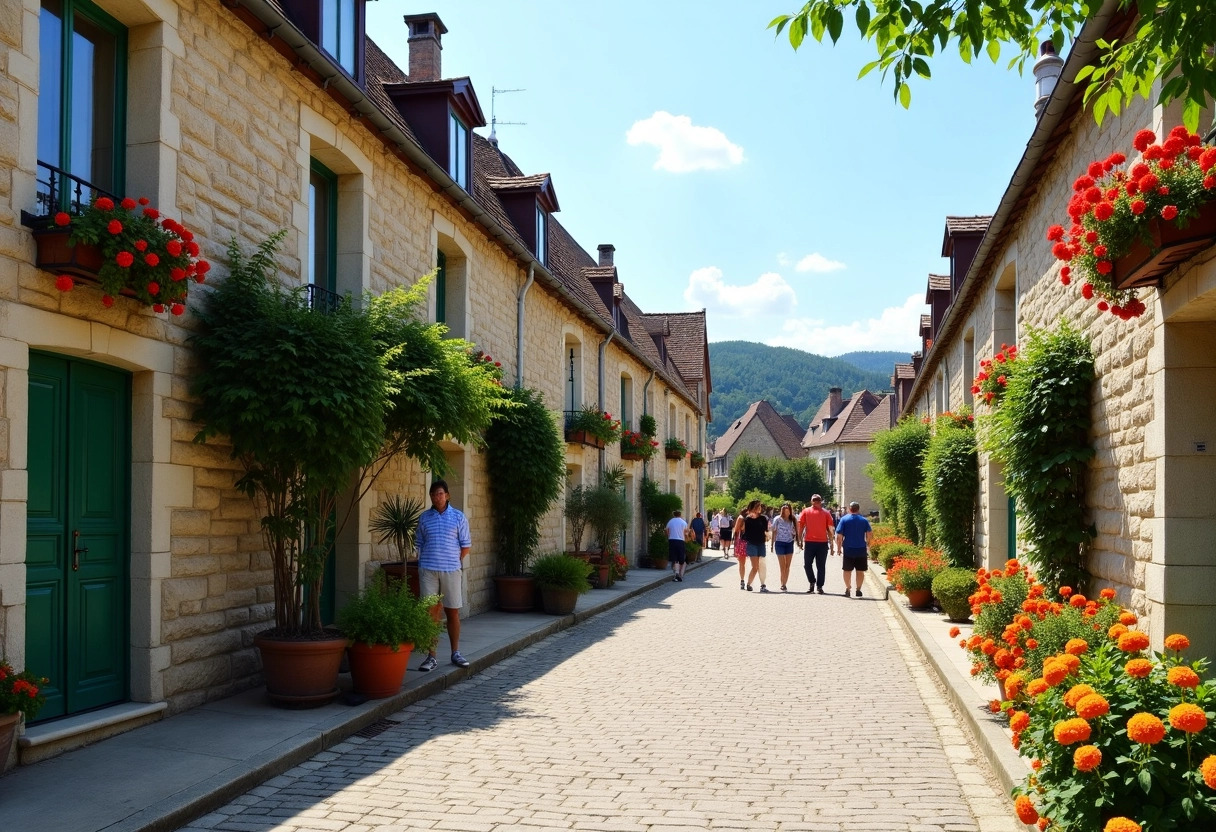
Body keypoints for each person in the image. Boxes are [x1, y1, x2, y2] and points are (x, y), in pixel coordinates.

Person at [416, 479, 472, 670]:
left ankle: (455, 653)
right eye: (433, 494)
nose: (436, 497)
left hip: (451, 570)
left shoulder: (458, 517)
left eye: (440, 493)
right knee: (430, 613)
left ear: (447, 495)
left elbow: (466, 546)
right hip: (429, 571)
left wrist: (454, 562)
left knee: (452, 611)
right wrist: (423, 564)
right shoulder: (424, 518)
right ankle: (431, 657)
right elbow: (419, 544)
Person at [797, 494, 835, 595]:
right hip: (809, 542)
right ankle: (812, 581)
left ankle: (819, 586)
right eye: (814, 500)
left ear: (821, 501)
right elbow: (801, 526)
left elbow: (830, 529)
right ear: (811, 501)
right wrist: (799, 539)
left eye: (818, 500)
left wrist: (832, 544)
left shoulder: (826, 513)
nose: (816, 502)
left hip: (822, 543)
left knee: (821, 566)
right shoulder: (806, 511)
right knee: (807, 565)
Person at [835, 501, 873, 598]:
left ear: (849, 509)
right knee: (860, 570)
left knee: (847, 570)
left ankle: (848, 588)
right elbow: (869, 534)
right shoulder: (864, 520)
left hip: (848, 549)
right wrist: (868, 544)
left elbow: (839, 536)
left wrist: (839, 548)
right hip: (861, 548)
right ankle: (858, 589)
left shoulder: (844, 519)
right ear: (858, 509)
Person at [742, 499, 770, 593]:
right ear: (753, 508)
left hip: (761, 543)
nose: (759, 508)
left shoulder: (763, 518)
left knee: (762, 565)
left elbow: (765, 530)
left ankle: (763, 584)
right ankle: (749, 584)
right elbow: (746, 532)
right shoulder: (748, 519)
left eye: (760, 506)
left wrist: (768, 536)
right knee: (755, 567)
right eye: (757, 507)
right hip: (752, 544)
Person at [770, 503, 797, 592]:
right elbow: (773, 531)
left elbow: (796, 530)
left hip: (789, 543)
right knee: (782, 565)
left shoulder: (792, 519)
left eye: (788, 510)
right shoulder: (777, 519)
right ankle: (782, 583)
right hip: (779, 543)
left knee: (787, 565)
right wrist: (771, 544)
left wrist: (799, 541)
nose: (787, 512)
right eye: (785, 510)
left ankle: (784, 583)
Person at [666, 509, 692, 582]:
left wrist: (668, 536)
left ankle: (677, 574)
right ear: (680, 514)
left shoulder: (670, 521)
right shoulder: (683, 522)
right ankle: (681, 575)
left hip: (672, 540)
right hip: (680, 541)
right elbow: (686, 533)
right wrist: (687, 539)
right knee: (682, 559)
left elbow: (667, 530)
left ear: (674, 514)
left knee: (675, 558)